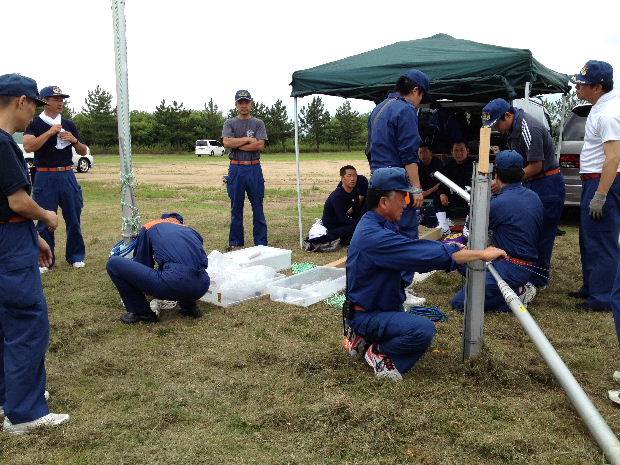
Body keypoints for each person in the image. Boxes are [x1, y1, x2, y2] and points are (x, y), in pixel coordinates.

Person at [342, 167, 507, 380]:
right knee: (421, 330)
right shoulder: (374, 237)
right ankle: (380, 352)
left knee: (411, 322)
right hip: (368, 313)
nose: (406, 203)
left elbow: (413, 249)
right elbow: (420, 254)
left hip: (380, 306)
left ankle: (364, 338)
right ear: (384, 202)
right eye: (403, 198)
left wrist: (458, 252)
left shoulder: (378, 222)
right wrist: (481, 254)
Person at [0, 73, 70, 434]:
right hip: (9, 246)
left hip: (10, 234)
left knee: (5, 323)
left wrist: (33, 237)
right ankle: (25, 413)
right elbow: (17, 200)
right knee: (27, 322)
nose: (35, 115)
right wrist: (45, 217)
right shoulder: (4, 144)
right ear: (21, 102)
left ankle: (7, 397)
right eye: (34, 106)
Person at [482, 98, 565, 299]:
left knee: (542, 231)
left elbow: (535, 165)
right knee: (524, 229)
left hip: (546, 183)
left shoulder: (529, 127)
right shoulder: (511, 129)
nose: (497, 129)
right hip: (531, 181)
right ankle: (525, 273)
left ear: (508, 116)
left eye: (498, 124)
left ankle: (538, 279)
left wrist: (505, 182)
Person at [451, 151, 543, 312]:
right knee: (462, 263)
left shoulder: (497, 204)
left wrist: (475, 209)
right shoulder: (534, 196)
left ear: (496, 174)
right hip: (525, 264)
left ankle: (517, 293)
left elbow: (469, 233)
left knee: (460, 303)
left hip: (509, 266)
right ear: (522, 173)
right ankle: (501, 287)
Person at [367, 69, 429, 306]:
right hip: (397, 183)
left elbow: (371, 147)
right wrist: (416, 188)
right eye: (421, 97)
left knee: (384, 233)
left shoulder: (379, 108)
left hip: (378, 180)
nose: (419, 102)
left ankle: (384, 284)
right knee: (405, 235)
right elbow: (409, 155)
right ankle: (401, 290)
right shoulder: (406, 110)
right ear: (415, 91)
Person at [568, 60, 620, 311]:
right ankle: (592, 286)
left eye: (583, 84)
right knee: (589, 237)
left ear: (598, 87)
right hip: (592, 181)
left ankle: (603, 297)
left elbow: (613, 158)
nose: (578, 87)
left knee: (601, 239)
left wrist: (600, 194)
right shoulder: (600, 108)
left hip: (603, 182)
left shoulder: (609, 113)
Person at [23, 86, 89, 272]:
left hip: (67, 174)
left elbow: (83, 151)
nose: (61, 102)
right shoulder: (34, 123)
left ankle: (76, 256)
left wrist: (74, 140)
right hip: (44, 175)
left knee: (73, 217)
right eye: (56, 98)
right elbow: (29, 146)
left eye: (62, 99)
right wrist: (50, 132)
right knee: (44, 219)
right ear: (44, 101)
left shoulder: (69, 124)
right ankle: (46, 260)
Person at [106, 213, 210, 324]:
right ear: (179, 222)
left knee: (113, 264)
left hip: (174, 282)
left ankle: (142, 313)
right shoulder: (190, 230)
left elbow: (143, 262)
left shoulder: (150, 226)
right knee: (184, 267)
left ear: (164, 219)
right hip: (203, 285)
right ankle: (189, 307)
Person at [222, 90, 268, 251]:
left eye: (246, 102)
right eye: (240, 102)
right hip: (236, 168)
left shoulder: (258, 123)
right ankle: (235, 242)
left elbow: (260, 145)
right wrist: (248, 139)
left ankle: (261, 243)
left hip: (254, 168)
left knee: (258, 206)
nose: (243, 105)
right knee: (236, 207)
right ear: (236, 105)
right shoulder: (229, 123)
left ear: (251, 103)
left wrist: (238, 143)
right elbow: (227, 142)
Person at [313, 165, 364, 246]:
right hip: (332, 225)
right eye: (349, 176)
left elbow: (357, 211)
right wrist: (358, 224)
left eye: (354, 175)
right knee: (355, 228)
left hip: (343, 223)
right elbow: (342, 218)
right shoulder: (337, 195)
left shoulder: (355, 192)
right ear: (343, 178)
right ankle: (319, 240)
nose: (352, 179)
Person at [437, 141, 474, 221]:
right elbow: (442, 184)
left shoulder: (474, 165)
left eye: (461, 150)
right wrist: (442, 194)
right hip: (453, 198)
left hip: (469, 198)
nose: (459, 153)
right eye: (456, 150)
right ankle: (443, 224)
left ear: (467, 151)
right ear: (452, 152)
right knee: (437, 198)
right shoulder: (448, 166)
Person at [417, 141, 447, 231]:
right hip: (422, 192)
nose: (422, 155)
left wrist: (437, 190)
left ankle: (443, 224)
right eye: (420, 152)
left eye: (425, 152)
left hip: (437, 193)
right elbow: (418, 187)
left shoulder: (438, 163)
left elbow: (441, 183)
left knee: (439, 196)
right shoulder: (417, 166)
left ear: (430, 152)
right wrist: (430, 190)